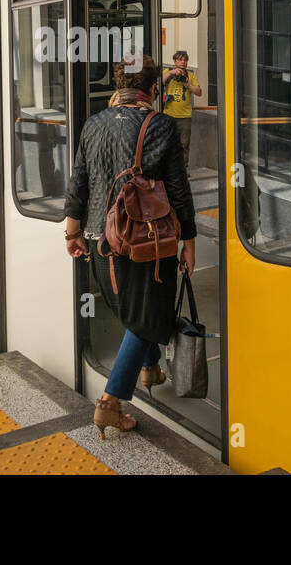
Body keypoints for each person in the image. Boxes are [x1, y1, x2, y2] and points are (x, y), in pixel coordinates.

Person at [64, 55, 196, 437]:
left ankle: (149, 367)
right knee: (147, 317)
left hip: (98, 242)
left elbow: (78, 185)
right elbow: (178, 192)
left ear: (118, 83)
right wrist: (188, 241)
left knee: (132, 311)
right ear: (153, 88)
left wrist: (72, 234)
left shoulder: (93, 124)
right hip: (145, 244)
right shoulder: (161, 126)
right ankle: (110, 402)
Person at [161, 50, 202, 169]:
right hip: (169, 114)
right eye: (180, 59)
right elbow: (161, 81)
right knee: (168, 143)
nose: (183, 62)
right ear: (174, 61)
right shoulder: (168, 72)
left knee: (184, 145)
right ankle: (168, 169)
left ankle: (183, 169)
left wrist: (188, 85)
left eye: (185, 60)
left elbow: (199, 92)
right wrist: (172, 72)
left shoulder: (190, 75)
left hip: (185, 117)